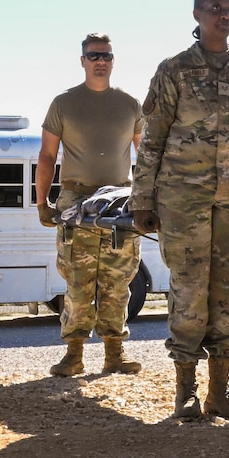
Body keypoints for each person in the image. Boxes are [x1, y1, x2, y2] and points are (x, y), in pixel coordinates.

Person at [131, 0, 229, 421]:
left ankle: (220, 389)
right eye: (215, 9)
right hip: (184, 198)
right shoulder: (174, 70)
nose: (224, 16)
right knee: (189, 288)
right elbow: (153, 138)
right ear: (197, 15)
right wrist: (143, 196)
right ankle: (185, 390)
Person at [39, 33, 145, 377]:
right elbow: (46, 155)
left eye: (106, 56)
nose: (101, 61)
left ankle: (115, 353)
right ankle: (74, 354)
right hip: (77, 203)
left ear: (113, 61)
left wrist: (148, 201)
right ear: (82, 60)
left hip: (119, 205)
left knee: (118, 282)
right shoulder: (64, 103)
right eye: (94, 55)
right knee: (79, 281)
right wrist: (42, 202)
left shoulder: (130, 105)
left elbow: (145, 157)